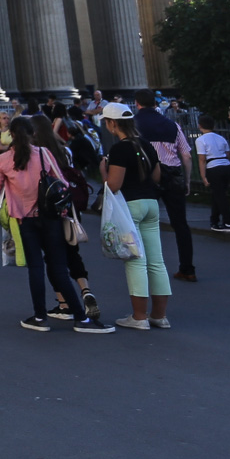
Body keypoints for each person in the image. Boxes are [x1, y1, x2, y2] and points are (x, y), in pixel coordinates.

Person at [0, 115, 114, 333]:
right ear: (32, 134)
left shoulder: (3, 160)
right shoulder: (44, 154)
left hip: (24, 220)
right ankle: (80, 318)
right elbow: (62, 184)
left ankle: (39, 317)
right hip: (50, 218)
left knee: (35, 269)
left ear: (11, 136)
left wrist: (12, 201)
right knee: (58, 268)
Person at [100, 100, 172, 330]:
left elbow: (114, 184)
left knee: (135, 261)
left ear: (112, 124)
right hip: (151, 203)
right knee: (157, 261)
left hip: (130, 207)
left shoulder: (120, 148)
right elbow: (157, 176)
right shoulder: (145, 144)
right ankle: (159, 315)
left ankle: (139, 317)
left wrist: (103, 171)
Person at [34, 116, 104, 321]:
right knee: (73, 253)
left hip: (48, 210)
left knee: (53, 259)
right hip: (70, 209)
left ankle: (64, 303)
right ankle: (85, 290)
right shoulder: (65, 151)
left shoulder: (37, 153)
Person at [135, 88, 196, 282]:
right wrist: (186, 180)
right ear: (155, 103)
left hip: (147, 175)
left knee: (146, 223)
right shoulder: (172, 125)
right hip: (173, 174)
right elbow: (186, 155)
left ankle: (148, 269)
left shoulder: (134, 125)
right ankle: (187, 268)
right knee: (180, 224)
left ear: (137, 104)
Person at [196, 119, 230, 233]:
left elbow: (202, 159)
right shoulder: (221, 138)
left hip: (213, 166)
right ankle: (214, 220)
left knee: (220, 195)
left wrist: (203, 176)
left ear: (200, 126)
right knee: (217, 194)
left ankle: (228, 222)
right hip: (225, 166)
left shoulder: (201, 140)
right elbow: (229, 156)